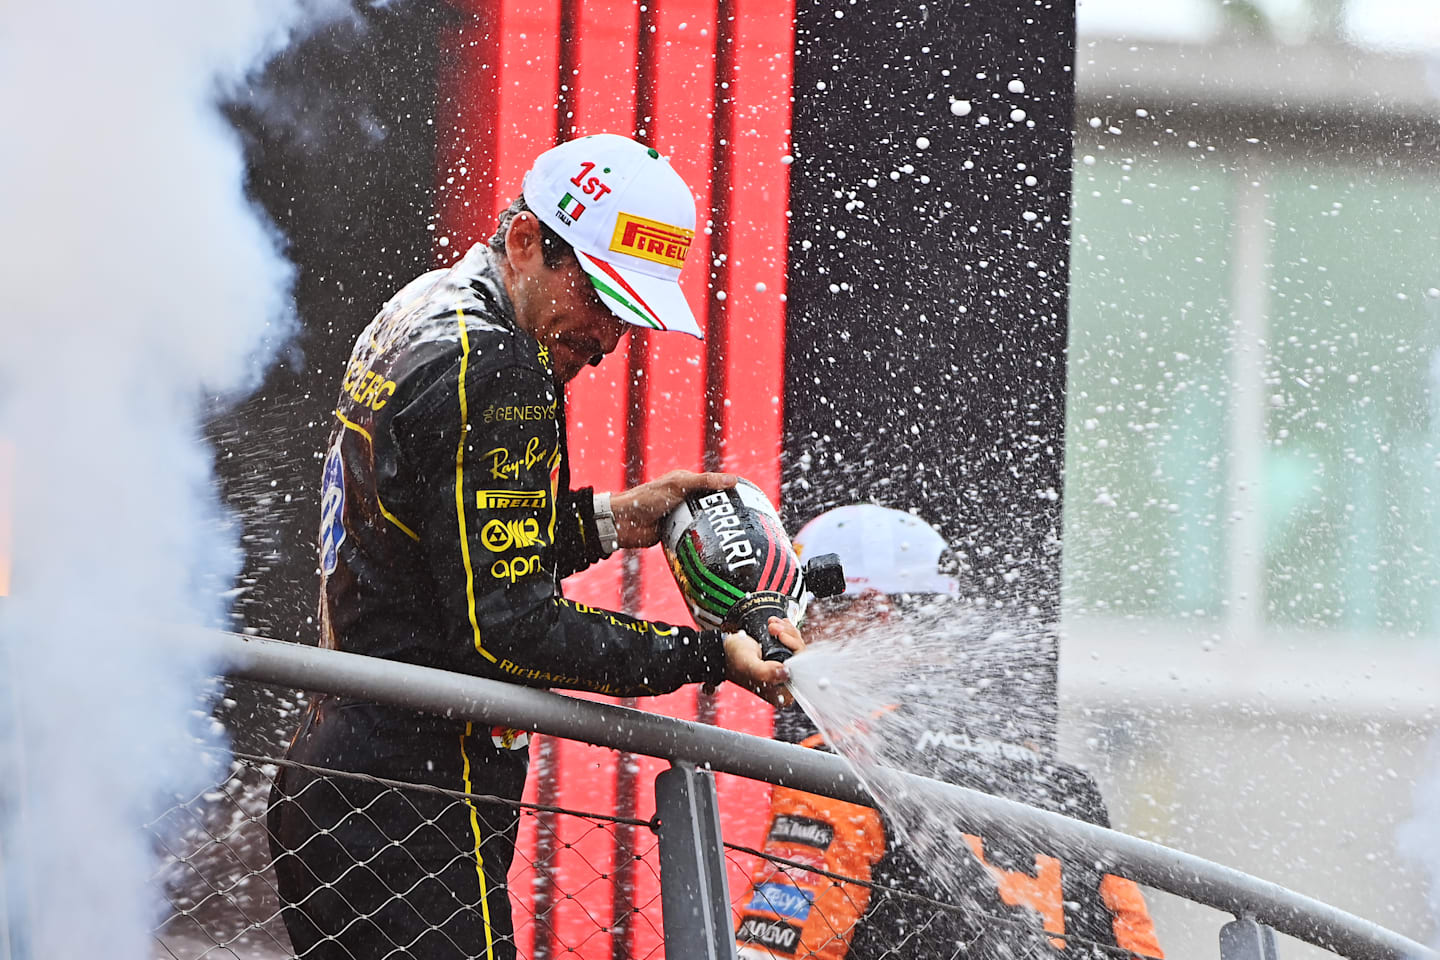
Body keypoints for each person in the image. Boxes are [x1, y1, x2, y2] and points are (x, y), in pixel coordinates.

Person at [267, 133, 803, 960]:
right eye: (599, 298)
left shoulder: (429, 306)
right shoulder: (499, 368)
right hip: (416, 797)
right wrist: (709, 656)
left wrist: (612, 519)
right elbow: (504, 629)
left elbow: (447, 556)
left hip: (341, 778)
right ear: (525, 242)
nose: (609, 337)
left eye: (628, 314)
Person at [734, 505, 1163, 960]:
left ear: (874, 613)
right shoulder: (1066, 785)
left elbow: (778, 953)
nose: (790, 633)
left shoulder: (842, 764)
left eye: (802, 613)